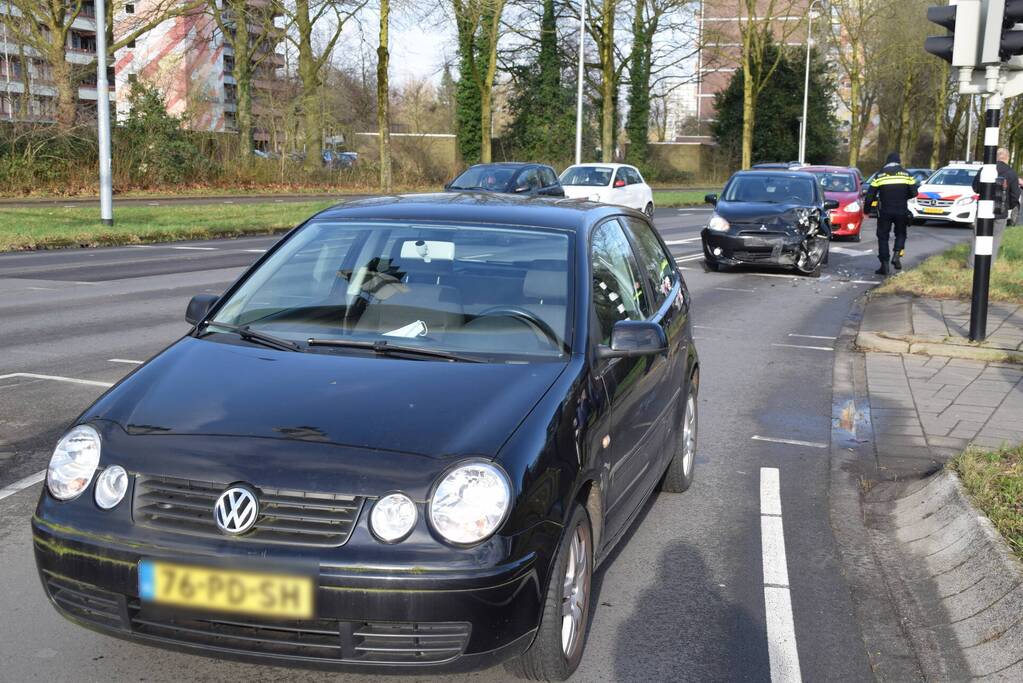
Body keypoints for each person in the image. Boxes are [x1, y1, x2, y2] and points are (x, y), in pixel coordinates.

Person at [864, 152, 919, 275]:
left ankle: (884, 265)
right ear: (899, 162)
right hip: (901, 210)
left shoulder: (879, 175)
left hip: (885, 211)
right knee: (901, 233)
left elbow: (870, 196)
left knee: (883, 236)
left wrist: (866, 211)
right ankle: (896, 255)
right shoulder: (907, 175)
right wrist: (904, 196)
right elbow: (915, 193)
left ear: (887, 162)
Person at [968, 147, 1019, 268]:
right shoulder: (1011, 173)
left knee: (978, 237)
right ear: (1007, 158)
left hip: (983, 209)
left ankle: (972, 265)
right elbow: (1015, 195)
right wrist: (1009, 206)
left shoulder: (984, 169)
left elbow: (975, 188)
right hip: (1000, 210)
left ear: (996, 157)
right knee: (995, 239)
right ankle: (987, 266)